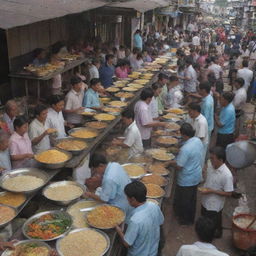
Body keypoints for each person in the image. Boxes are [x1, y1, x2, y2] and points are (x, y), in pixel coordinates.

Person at [115, 181, 164, 256]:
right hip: (153, 250)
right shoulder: (154, 206)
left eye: (127, 197)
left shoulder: (135, 220)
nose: (126, 200)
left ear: (133, 199)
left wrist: (118, 230)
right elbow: (160, 222)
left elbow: (127, 243)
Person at [169, 123, 204, 225]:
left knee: (186, 201)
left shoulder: (186, 149)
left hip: (186, 178)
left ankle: (186, 220)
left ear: (184, 135)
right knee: (192, 199)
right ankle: (188, 218)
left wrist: (170, 162)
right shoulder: (197, 141)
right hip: (195, 174)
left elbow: (179, 166)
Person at [199, 147, 234, 238]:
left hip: (215, 204)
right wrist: (204, 172)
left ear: (220, 160)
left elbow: (229, 193)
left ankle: (215, 235)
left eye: (212, 158)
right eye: (210, 158)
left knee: (214, 221)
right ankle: (205, 233)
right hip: (205, 199)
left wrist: (212, 191)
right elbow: (207, 177)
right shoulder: (211, 164)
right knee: (204, 216)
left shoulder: (227, 175)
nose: (210, 160)